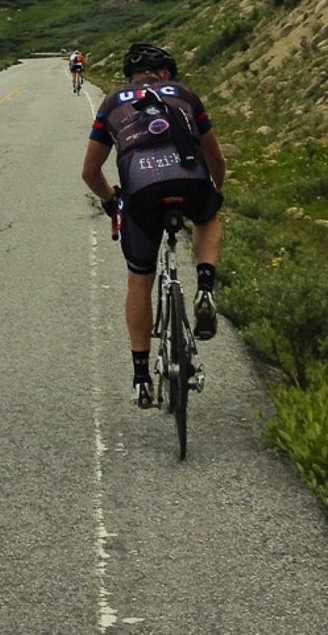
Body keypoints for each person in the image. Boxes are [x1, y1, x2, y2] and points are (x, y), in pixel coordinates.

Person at [81, 42, 226, 408]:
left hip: (141, 192)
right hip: (191, 181)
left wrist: (112, 202)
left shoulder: (112, 102)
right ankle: (205, 285)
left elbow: (90, 172)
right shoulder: (185, 94)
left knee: (139, 279)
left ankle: (142, 377)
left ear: (132, 76)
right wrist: (212, 195)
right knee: (207, 219)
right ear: (163, 74)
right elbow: (217, 159)